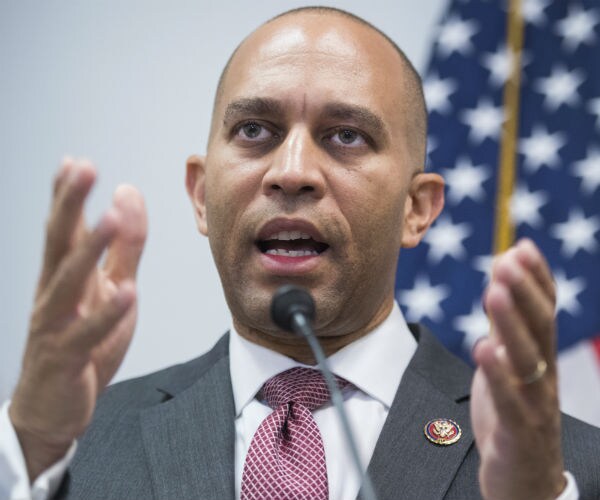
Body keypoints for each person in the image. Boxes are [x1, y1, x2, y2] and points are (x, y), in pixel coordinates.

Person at [2, 6, 599, 500]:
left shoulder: (563, 469)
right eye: (255, 131)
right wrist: (30, 442)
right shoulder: (63, 447)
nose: (291, 173)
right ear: (202, 195)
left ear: (418, 209)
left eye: (346, 136)